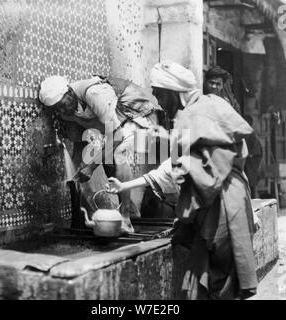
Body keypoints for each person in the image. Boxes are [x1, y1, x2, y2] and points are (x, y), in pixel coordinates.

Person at [107, 60, 258, 300]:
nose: (157, 100)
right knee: (206, 282)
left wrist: (172, 143)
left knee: (218, 287)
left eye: (158, 93)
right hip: (235, 199)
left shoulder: (190, 117)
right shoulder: (211, 104)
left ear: (173, 92)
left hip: (223, 207)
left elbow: (192, 173)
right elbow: (223, 152)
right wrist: (126, 184)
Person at [38, 75, 164, 233]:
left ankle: (125, 219)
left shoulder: (94, 93)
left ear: (69, 92)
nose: (62, 111)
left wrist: (90, 167)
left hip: (141, 114)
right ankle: (131, 210)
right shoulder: (66, 113)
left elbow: (117, 136)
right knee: (108, 157)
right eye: (57, 108)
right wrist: (76, 174)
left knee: (118, 153)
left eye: (63, 104)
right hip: (120, 123)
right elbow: (79, 144)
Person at [243, 115, 264, 198]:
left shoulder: (251, 134)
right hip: (248, 161)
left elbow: (257, 151)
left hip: (251, 162)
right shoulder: (245, 133)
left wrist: (250, 155)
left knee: (251, 183)